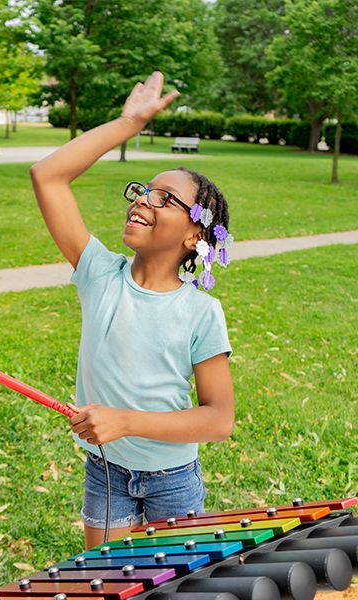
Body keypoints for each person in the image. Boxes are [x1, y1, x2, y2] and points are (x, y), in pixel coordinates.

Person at [30, 72, 235, 550]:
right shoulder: (99, 272)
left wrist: (125, 421)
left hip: (173, 477)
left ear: (195, 237)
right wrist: (127, 123)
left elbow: (218, 419)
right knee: (106, 580)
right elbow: (48, 175)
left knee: (176, 585)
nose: (144, 198)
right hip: (105, 471)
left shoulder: (201, 313)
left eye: (167, 198)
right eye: (145, 189)